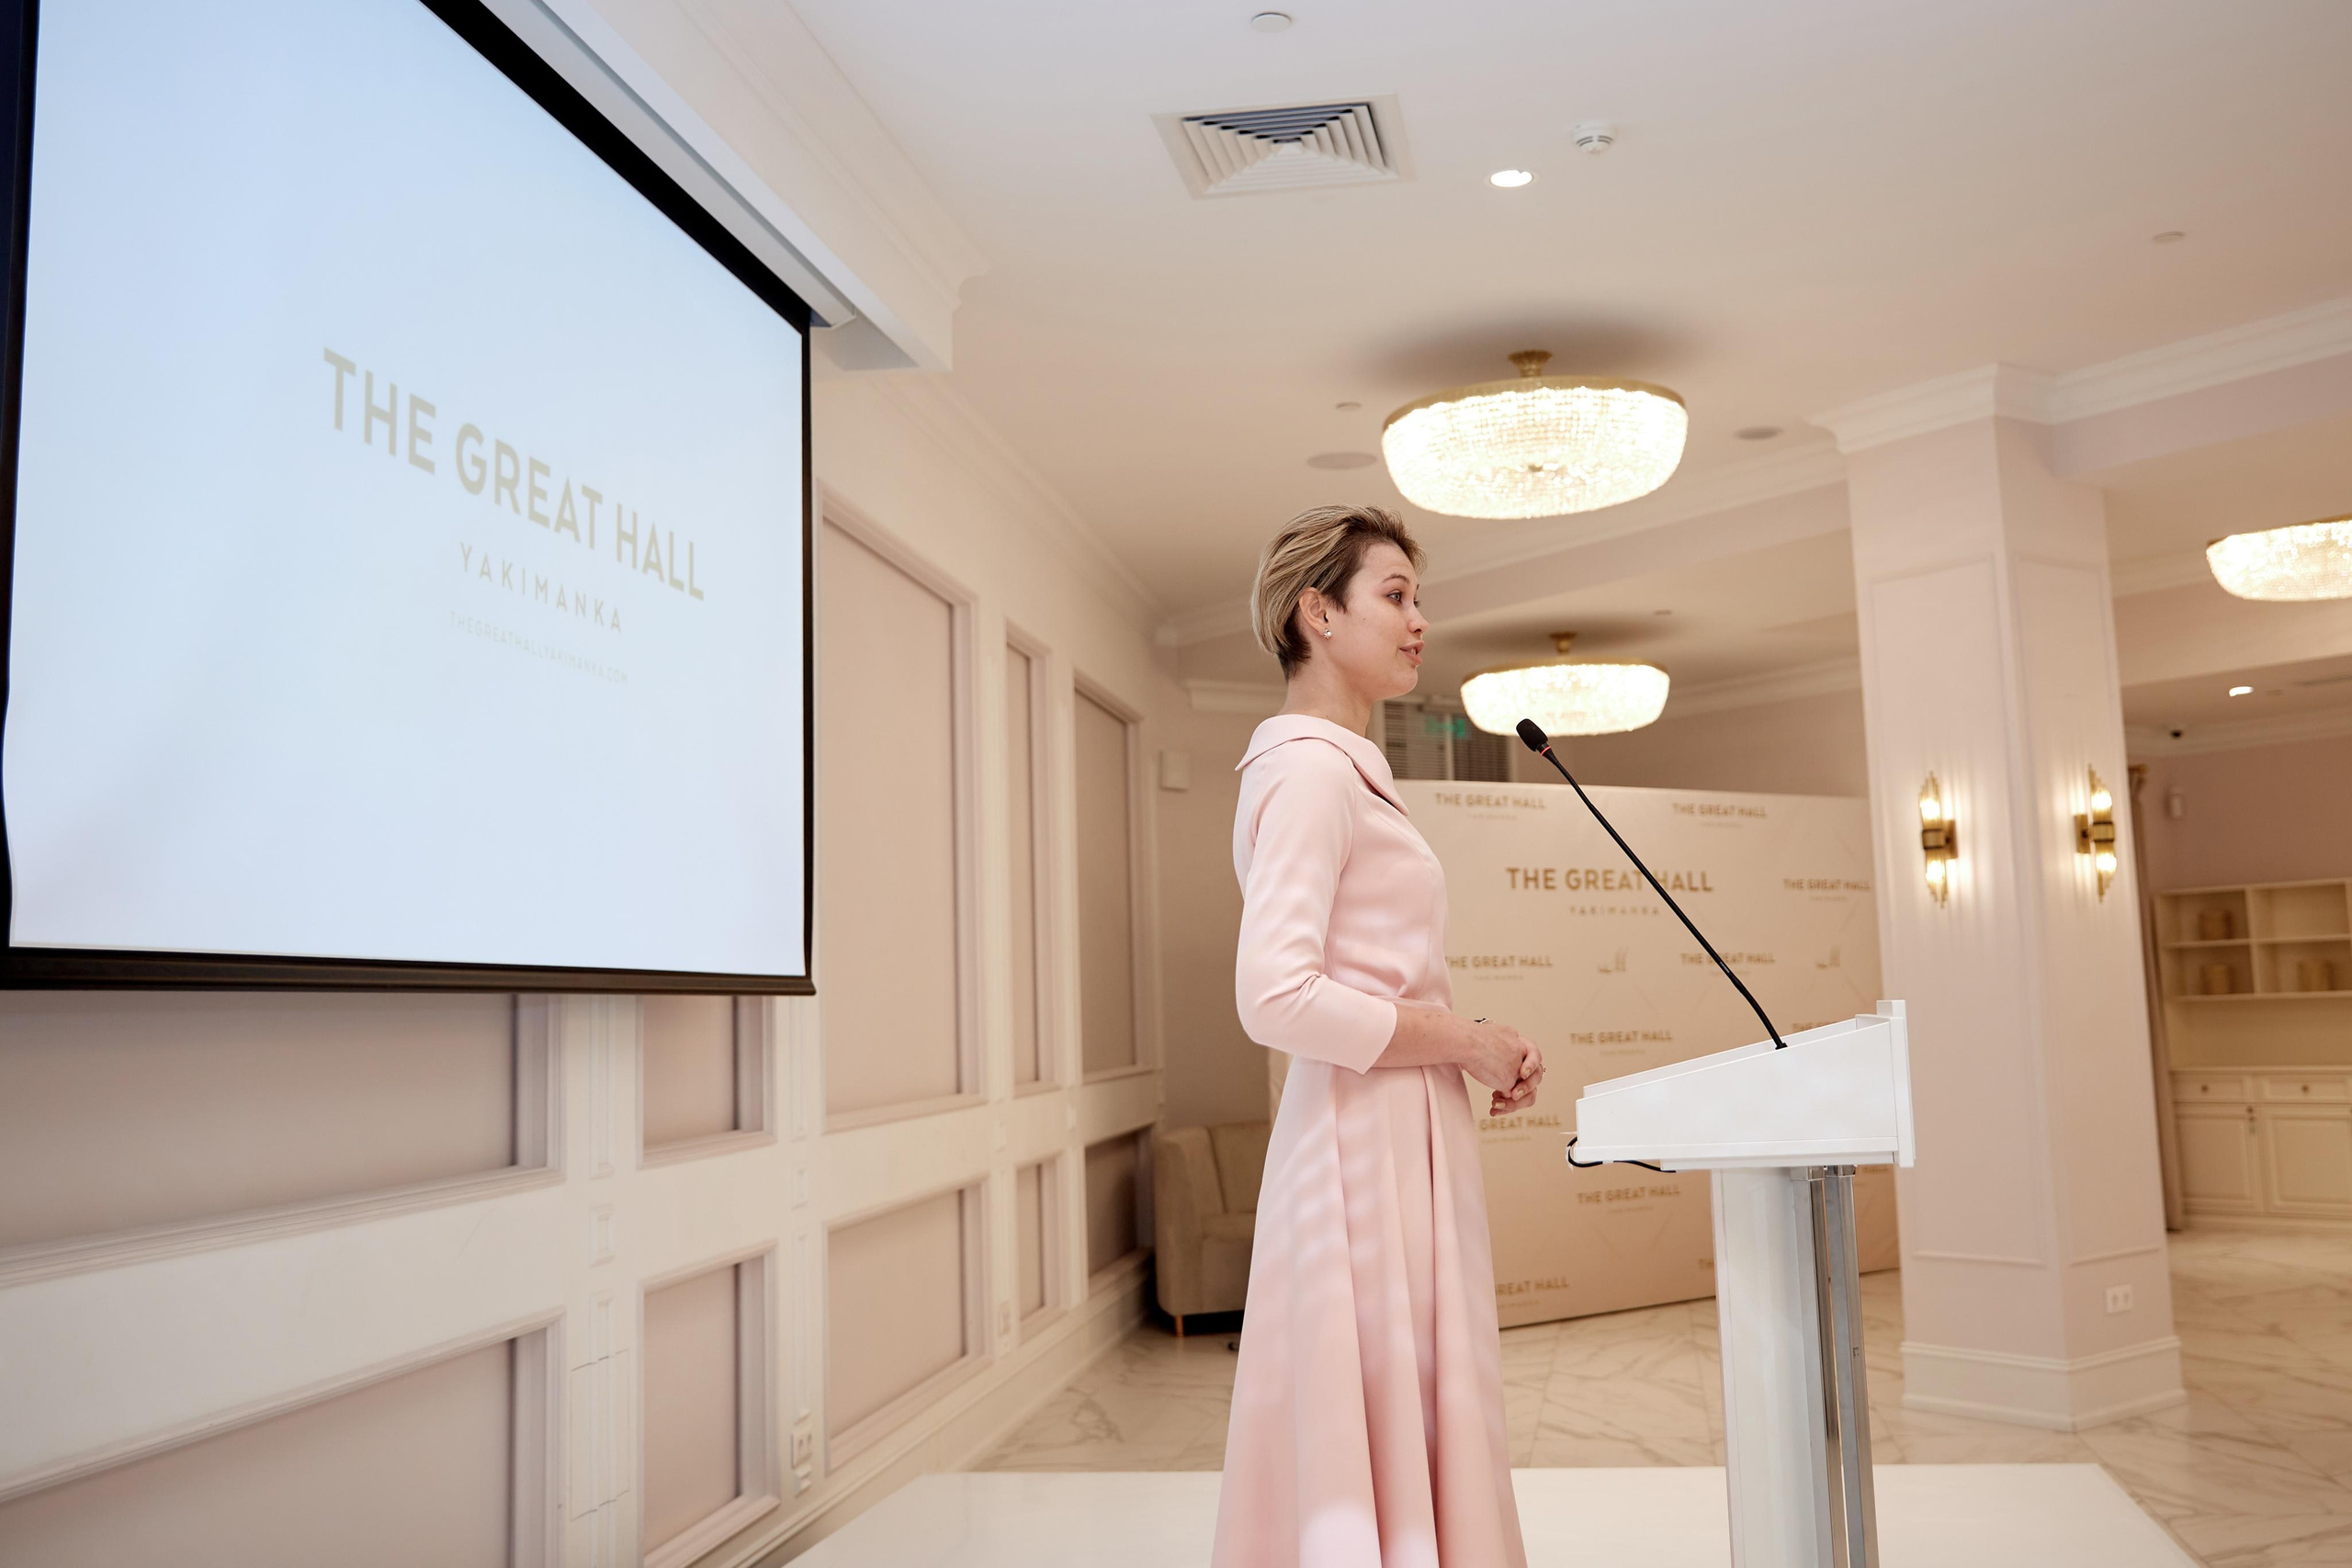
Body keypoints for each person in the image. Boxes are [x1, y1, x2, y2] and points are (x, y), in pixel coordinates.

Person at [1211, 504, 1543, 1568]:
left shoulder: (1342, 767)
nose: (1418, 621)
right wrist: (1459, 1037)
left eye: (1416, 598)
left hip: (1390, 1129)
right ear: (1317, 611)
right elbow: (1275, 996)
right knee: (1377, 1410)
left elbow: (1361, 973)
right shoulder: (1309, 770)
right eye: (1394, 595)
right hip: (1361, 1146)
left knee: (1414, 1405)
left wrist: (1465, 1037)